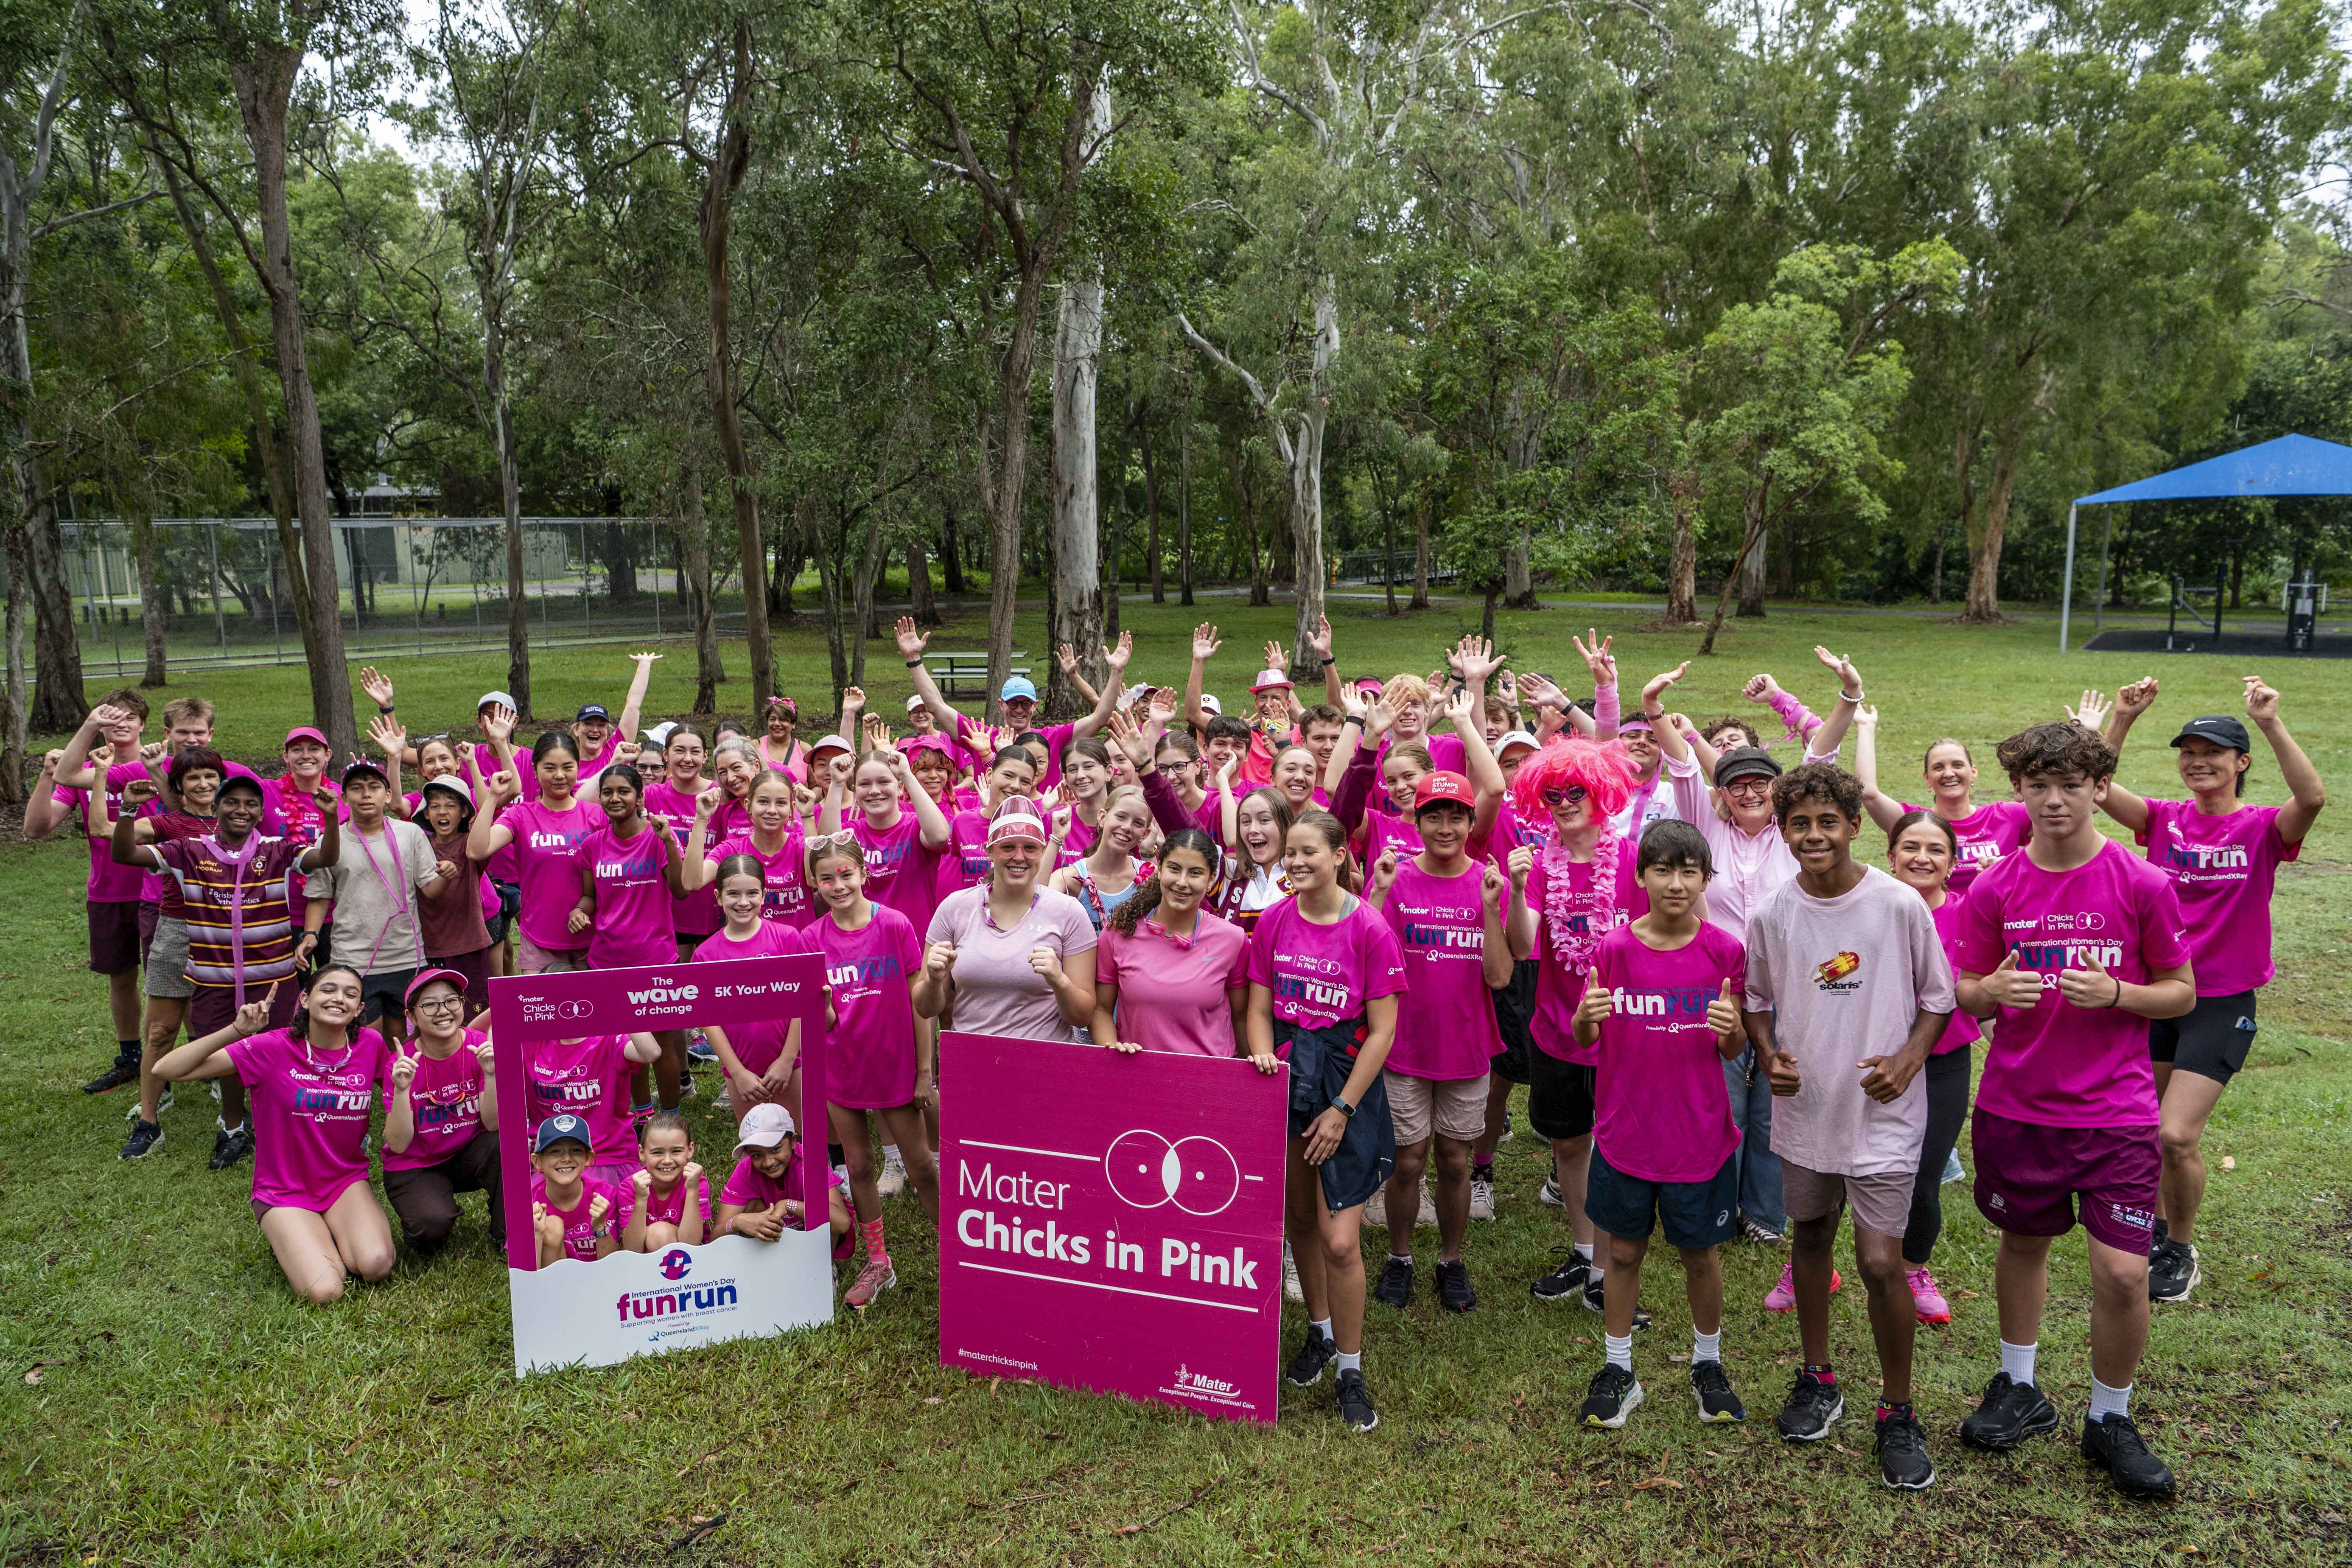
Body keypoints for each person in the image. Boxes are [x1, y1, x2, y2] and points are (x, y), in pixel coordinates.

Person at [1951, 721, 2194, 1500]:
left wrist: (2118, 992)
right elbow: (1965, 988)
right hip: (2017, 1107)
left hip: (2115, 1114)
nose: (2054, 800)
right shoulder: (1994, 887)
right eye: (2038, 786)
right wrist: (1989, 991)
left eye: (2070, 785)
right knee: (2023, 1243)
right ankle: (2018, 1386)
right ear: (2018, 791)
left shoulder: (2141, 882)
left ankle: (2109, 1418)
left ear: (2099, 789)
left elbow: (2182, 992)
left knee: (2123, 1273)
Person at [1740, 763, 1953, 1490]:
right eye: (1799, 823)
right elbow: (1756, 1000)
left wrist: (1907, 1060)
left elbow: (1938, 998)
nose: (1813, 835)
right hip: (1807, 1108)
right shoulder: (1773, 913)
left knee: (1879, 1263)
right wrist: (1769, 1054)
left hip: (1883, 1111)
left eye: (1827, 822)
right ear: (1782, 830)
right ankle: (1817, 1377)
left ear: (1854, 826)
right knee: (1808, 1236)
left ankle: (1897, 1410)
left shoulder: (1896, 904)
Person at [2094, 675, 2324, 1302]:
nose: (2198, 762)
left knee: (2176, 1135)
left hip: (2220, 1003)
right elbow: (2096, 787)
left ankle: (2179, 1247)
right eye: (2189, 753)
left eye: (2213, 753)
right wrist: (2122, 718)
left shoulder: (2262, 828)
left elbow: (2312, 796)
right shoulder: (2163, 820)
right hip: (2157, 994)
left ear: (2239, 763)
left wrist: (2270, 721)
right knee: (2145, 1129)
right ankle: (2150, 1229)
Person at [1647, 655, 1860, 1254]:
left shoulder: (1794, 835)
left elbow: (1820, 758)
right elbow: (1682, 767)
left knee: (1774, 1102)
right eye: (1737, 784)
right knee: (1721, 1103)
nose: (1749, 791)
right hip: (1717, 988)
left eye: (1760, 782)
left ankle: (1765, 1211)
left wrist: (1848, 695)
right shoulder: (1704, 825)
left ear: (1777, 790)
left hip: (1789, 985)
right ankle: (1716, 1205)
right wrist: (1656, 710)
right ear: (1722, 792)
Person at [1569, 820, 1749, 1432]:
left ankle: (1708, 1363)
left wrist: (1733, 1030)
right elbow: (1586, 1037)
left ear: (1705, 879)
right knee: (1623, 1252)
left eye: (1689, 872)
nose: (1676, 884)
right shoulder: (1614, 949)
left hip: (1699, 1135)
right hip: (1627, 1132)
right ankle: (1619, 1369)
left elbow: (1733, 1048)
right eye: (1663, 871)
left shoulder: (1725, 951)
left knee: (1700, 1255)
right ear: (1642, 877)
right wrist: (1586, 1017)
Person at [1248, 809, 1405, 1433]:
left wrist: (1342, 1110)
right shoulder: (1274, 921)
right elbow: (1259, 1007)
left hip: (1344, 1084)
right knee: (1301, 1222)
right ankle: (1318, 1331)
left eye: (1309, 852)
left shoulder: (1369, 928)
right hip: (1288, 1079)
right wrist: (1264, 1057)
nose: (1296, 862)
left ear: (1339, 856)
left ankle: (1351, 1369)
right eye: (1291, 853)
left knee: (1341, 1240)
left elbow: (1384, 1030)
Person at [112, 770, 336, 1170]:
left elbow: (326, 858)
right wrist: (128, 809)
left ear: (261, 813)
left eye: (251, 804)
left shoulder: (277, 849)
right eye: (231, 802)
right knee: (228, 1055)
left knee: (281, 1054)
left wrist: (332, 818)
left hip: (274, 981)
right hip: (214, 981)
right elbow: (126, 854)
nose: (241, 810)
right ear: (215, 809)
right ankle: (233, 1129)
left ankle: (283, 1126)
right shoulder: (188, 850)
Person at [1363, 774, 1515, 1316]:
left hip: (1467, 1045)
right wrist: (1379, 893)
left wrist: (1492, 909)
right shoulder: (1395, 878)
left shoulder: (1488, 883)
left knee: (1454, 1160)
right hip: (1404, 1045)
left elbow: (1499, 977)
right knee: (1407, 1162)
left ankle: (1451, 1259)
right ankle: (1400, 1256)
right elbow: (1366, 958)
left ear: (1472, 822)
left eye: (1456, 816)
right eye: (1434, 816)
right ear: (1418, 820)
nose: (1445, 827)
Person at [1503, 738, 1645, 1314]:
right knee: (1569, 1144)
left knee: (1617, 1150)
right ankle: (1586, 1254)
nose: (1564, 804)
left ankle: (1610, 1270)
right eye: (1553, 796)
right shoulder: (1541, 866)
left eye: (1575, 792)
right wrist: (1516, 890)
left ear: (1602, 793)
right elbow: (1521, 946)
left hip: (1623, 1037)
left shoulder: (1634, 859)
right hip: (1557, 1032)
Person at [155, 967, 394, 1302]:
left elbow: (408, 1087)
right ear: (305, 1000)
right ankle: (294, 1236)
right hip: (283, 1189)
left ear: (358, 1010)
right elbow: (166, 1069)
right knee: (325, 1291)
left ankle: (319, 1236)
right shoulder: (272, 1047)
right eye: (328, 990)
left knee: (375, 1265)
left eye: (350, 994)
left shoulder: (369, 1045)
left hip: (345, 1180)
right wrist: (236, 1031)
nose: (339, 998)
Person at [805, 835, 938, 1310]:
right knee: (859, 1165)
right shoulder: (810, 939)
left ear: (863, 873)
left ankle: (957, 1252)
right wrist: (823, 1005)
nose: (839, 885)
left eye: (846, 874)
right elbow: (824, 1022)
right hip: (841, 1071)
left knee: (922, 1166)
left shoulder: (895, 925)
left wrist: (924, 1072)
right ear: (815, 883)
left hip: (895, 1068)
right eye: (827, 878)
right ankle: (879, 1260)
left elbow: (922, 1005)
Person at [86, 746, 224, 1158]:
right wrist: (105, 777)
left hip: (229, 933)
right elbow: (102, 828)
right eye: (193, 778)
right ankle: (149, 1121)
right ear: (178, 786)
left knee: (229, 1027)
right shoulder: (168, 823)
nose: (203, 784)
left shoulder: (239, 817)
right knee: (161, 1031)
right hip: (177, 931)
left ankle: (237, 1118)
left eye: (210, 776)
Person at [29, 693, 158, 1095]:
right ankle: (131, 1059)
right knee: (122, 978)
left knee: (175, 980)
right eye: (111, 716)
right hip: (109, 893)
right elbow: (36, 829)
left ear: (143, 724)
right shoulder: (82, 774)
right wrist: (48, 775)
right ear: (99, 723)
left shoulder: (159, 768)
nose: (122, 723)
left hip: (161, 891)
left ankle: (189, 1060)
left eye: (131, 717)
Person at [1881, 810, 1981, 1325]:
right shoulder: (1868, 909)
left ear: (1952, 864)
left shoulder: (1970, 915)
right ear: (1891, 857)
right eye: (1911, 847)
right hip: (1870, 1061)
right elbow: (1835, 970)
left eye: (1936, 850)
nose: (1922, 858)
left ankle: (1913, 1270)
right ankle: (1811, 1263)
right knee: (1836, 1172)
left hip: (1943, 1063)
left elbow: (1984, 989)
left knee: (1923, 1176)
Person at [915, 798, 1099, 1045]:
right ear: (989, 851)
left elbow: (1083, 1016)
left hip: (1042, 1062)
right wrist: (934, 980)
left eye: (1030, 848)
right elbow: (925, 1008)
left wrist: (1060, 981)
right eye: (1008, 847)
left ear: (1043, 851)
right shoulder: (954, 908)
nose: (1019, 857)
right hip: (971, 1060)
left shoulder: (1069, 912)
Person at [303, 758, 457, 1036]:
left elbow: (430, 890)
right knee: (365, 1037)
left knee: (403, 1040)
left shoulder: (410, 833)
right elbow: (320, 896)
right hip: (354, 958)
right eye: (357, 788)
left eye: (374, 787)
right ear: (344, 798)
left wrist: (446, 877)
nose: (366, 795)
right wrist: (310, 935)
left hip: (407, 956)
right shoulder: (332, 841)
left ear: (387, 795)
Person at [569, 763, 692, 1108]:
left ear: (640, 798)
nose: (615, 798)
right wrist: (579, 911)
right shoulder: (593, 845)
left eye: (624, 791)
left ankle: (670, 1116)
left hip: (656, 959)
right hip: (607, 962)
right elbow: (590, 896)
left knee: (662, 1045)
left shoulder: (660, 837)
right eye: (608, 792)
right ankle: (642, 1114)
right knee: (627, 1044)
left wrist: (668, 841)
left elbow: (681, 890)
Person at [896, 616, 1131, 789]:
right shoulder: (982, 737)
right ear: (1001, 705)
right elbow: (936, 707)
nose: (1019, 710)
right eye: (1013, 704)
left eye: (1026, 704)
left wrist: (1117, 671)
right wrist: (913, 659)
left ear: (1035, 706)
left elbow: (1101, 718)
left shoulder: (1053, 738)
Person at [1089, 827, 1251, 1060]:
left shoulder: (1233, 940)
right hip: (1137, 1073)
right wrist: (1113, 1049)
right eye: (1174, 869)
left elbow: (1241, 1018)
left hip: (1210, 1076)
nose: (1182, 882)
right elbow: (1102, 1009)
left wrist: (1251, 1071)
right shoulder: (1119, 932)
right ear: (1160, 870)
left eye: (1195, 873)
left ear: (1211, 879)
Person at [380, 968, 502, 1251]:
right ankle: (431, 1207)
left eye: (451, 1001)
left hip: (469, 1152)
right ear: (411, 1017)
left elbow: (494, 1124)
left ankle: (506, 1233)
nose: (443, 1011)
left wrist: (492, 1075)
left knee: (505, 1142)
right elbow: (398, 1144)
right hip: (417, 1164)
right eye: (430, 1005)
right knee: (430, 1229)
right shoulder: (402, 1064)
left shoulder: (480, 1047)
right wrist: (402, 1090)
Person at [468, 733, 601, 974]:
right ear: (535, 770)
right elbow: (477, 850)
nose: (559, 775)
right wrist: (493, 797)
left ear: (578, 768)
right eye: (550, 768)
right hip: (538, 941)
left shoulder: (596, 815)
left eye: (567, 767)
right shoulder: (521, 815)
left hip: (592, 940)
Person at [1855, 708, 2026, 894]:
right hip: (1931, 912)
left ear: (1974, 772)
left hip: (1993, 912)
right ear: (1927, 779)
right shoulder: (1913, 822)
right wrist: (1866, 727)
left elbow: (2052, 812)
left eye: (1958, 765)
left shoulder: (2007, 815)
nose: (1949, 773)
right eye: (1938, 768)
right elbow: (1868, 794)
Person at [696, 854, 814, 1116]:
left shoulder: (787, 939)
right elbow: (708, 1020)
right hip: (740, 1068)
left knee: (800, 1135)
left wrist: (786, 1061)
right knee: (756, 1138)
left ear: (763, 895)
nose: (743, 902)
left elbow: (804, 1001)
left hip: (793, 1061)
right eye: (733, 894)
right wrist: (737, 1072)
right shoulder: (705, 955)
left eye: (752, 893)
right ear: (718, 897)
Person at [522, 1022, 665, 1191]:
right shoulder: (532, 1043)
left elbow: (651, 1053)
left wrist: (621, 1010)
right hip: (551, 1157)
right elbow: (499, 1042)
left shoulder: (610, 1040)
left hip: (607, 1156)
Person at [715, 1102, 852, 1253]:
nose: (769, 1162)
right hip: (770, 1242)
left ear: (793, 1141)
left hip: (812, 1242)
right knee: (752, 1207)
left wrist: (788, 1206)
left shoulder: (810, 1162)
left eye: (775, 1149)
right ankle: (765, 1262)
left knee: (827, 1212)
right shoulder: (746, 1170)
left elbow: (842, 1223)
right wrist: (737, 1222)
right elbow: (714, 1240)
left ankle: (823, 1263)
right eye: (757, 1155)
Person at [686, 770, 811, 930]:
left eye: (781, 803)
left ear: (792, 809)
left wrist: (808, 816)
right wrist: (702, 819)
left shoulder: (802, 847)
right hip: (750, 944)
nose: (772, 810)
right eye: (763, 802)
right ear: (748, 806)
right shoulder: (731, 851)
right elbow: (692, 882)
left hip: (798, 944)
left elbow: (813, 879)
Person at [1051, 784, 1156, 931]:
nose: (1127, 827)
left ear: (1145, 834)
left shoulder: (1151, 877)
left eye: (1138, 823)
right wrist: (1056, 839)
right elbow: (1040, 912)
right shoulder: (1067, 879)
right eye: (1121, 817)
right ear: (1102, 818)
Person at [530, 1113, 623, 1266]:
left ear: (588, 1158)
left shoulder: (605, 1195)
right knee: (551, 1225)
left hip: (599, 1277)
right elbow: (521, 1273)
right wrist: (536, 1235)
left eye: (576, 1150)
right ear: (537, 1162)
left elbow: (614, 1266)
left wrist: (600, 1227)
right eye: (555, 1151)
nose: (567, 1158)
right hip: (553, 1280)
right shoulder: (530, 1201)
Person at [624, 1112, 709, 1251]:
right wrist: (641, 1199)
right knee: (658, 1235)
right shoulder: (630, 1187)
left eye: (676, 1151)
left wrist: (692, 1190)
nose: (667, 1161)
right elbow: (632, 1249)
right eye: (657, 1153)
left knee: (659, 1234)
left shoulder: (696, 1183)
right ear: (642, 1153)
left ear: (690, 1150)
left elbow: (692, 1243)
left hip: (689, 1258)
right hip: (644, 1260)